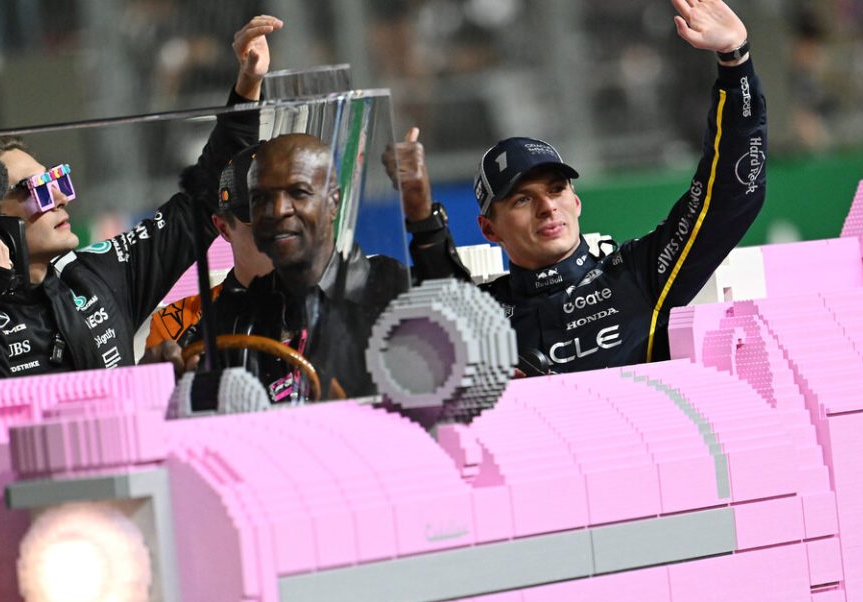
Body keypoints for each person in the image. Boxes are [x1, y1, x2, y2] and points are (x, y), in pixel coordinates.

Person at [0, 15, 283, 380]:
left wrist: (248, 84)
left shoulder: (97, 276)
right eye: (37, 189)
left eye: (56, 180)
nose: (60, 197)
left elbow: (201, 201)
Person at [473, 0, 766, 374]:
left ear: (576, 202)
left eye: (557, 190)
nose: (547, 207)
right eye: (522, 200)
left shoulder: (635, 274)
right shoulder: (475, 317)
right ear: (489, 229)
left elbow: (729, 195)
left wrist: (735, 62)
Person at [201, 129, 466, 403]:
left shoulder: (383, 284)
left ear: (333, 203)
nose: (279, 211)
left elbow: (469, 345)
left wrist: (424, 221)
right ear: (224, 228)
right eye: (260, 201)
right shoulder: (236, 317)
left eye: (298, 193)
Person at [141, 143, 273, 371]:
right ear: (223, 228)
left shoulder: (333, 299)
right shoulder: (176, 325)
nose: (282, 231)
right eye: (263, 219)